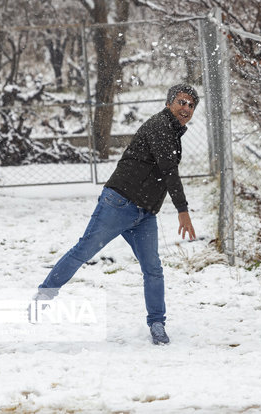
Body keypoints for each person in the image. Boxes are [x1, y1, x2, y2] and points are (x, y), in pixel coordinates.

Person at [34, 84, 199, 345]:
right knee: (83, 251)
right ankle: (44, 296)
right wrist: (182, 210)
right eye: (182, 102)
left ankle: (157, 322)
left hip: (144, 214)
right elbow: (168, 171)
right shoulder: (161, 126)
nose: (186, 108)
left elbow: (163, 170)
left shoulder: (173, 131)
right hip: (119, 203)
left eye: (191, 105)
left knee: (153, 269)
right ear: (169, 103)